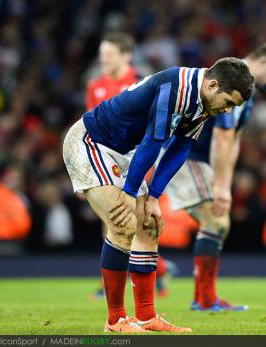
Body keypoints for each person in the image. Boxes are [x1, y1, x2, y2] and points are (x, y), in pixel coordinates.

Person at [63, 58, 254, 333]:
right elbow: (154, 140)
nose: (227, 110)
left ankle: (146, 316)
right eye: (229, 102)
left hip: (123, 151)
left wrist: (153, 195)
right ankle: (115, 321)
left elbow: (180, 147)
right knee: (124, 222)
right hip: (91, 142)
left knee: (150, 226)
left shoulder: (203, 103)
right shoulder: (177, 86)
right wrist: (129, 193)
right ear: (213, 85)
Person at [164, 41, 266, 311]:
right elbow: (222, 138)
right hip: (186, 154)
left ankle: (204, 298)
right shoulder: (232, 81)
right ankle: (204, 299)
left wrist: (225, 185)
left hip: (197, 159)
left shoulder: (246, 92)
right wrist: (222, 188)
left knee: (217, 223)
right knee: (216, 221)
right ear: (265, 62)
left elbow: (233, 142)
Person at [86, 32, 173, 300]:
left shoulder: (140, 83)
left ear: (126, 56)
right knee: (113, 217)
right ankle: (125, 278)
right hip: (106, 159)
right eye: (102, 54)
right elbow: (92, 125)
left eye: (109, 54)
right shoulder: (95, 86)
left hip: (137, 159)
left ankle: (152, 272)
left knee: (139, 219)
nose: (104, 59)